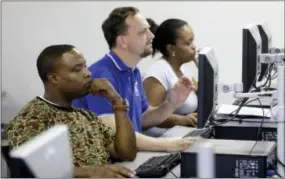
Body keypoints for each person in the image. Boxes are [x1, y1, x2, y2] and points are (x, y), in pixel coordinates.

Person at [73, 7, 199, 152]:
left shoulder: (133, 71)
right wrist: (168, 145)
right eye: (143, 32)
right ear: (123, 41)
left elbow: (143, 118)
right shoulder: (101, 76)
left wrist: (171, 103)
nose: (151, 35)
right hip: (112, 163)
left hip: (131, 155)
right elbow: (113, 133)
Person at [7, 44, 138, 178]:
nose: (88, 73)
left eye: (85, 67)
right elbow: (30, 171)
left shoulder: (87, 116)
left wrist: (117, 102)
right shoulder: (31, 118)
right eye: (77, 69)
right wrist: (90, 172)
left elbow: (127, 153)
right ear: (54, 78)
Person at [143, 19, 199, 129]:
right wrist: (180, 120)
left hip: (180, 134)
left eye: (193, 41)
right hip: (159, 139)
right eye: (188, 43)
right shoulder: (158, 73)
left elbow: (202, 98)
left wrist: (204, 69)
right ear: (171, 48)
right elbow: (145, 118)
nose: (194, 46)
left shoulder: (184, 69)